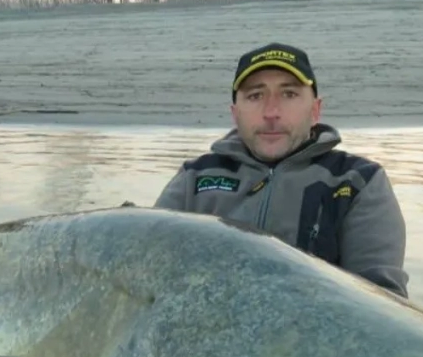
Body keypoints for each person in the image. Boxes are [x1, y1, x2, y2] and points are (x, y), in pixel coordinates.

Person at [153, 42, 409, 297]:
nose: (271, 112)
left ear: (315, 110)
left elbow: (384, 302)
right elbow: (149, 272)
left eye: (289, 94)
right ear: (235, 113)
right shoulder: (194, 178)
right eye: (255, 96)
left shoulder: (358, 182)